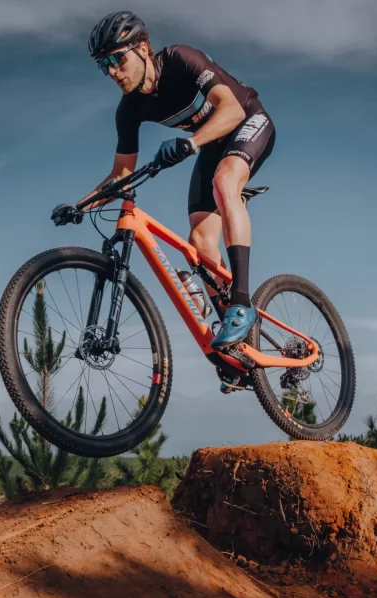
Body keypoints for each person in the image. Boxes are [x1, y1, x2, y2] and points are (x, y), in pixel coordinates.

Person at [52, 10, 276, 353]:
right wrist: (78, 206)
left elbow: (230, 110)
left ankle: (242, 303)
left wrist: (190, 142)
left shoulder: (180, 59)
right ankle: (236, 347)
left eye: (116, 58)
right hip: (210, 144)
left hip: (248, 121)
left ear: (142, 48)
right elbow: (120, 177)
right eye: (103, 65)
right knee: (200, 242)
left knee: (225, 180)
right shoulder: (129, 109)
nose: (111, 71)